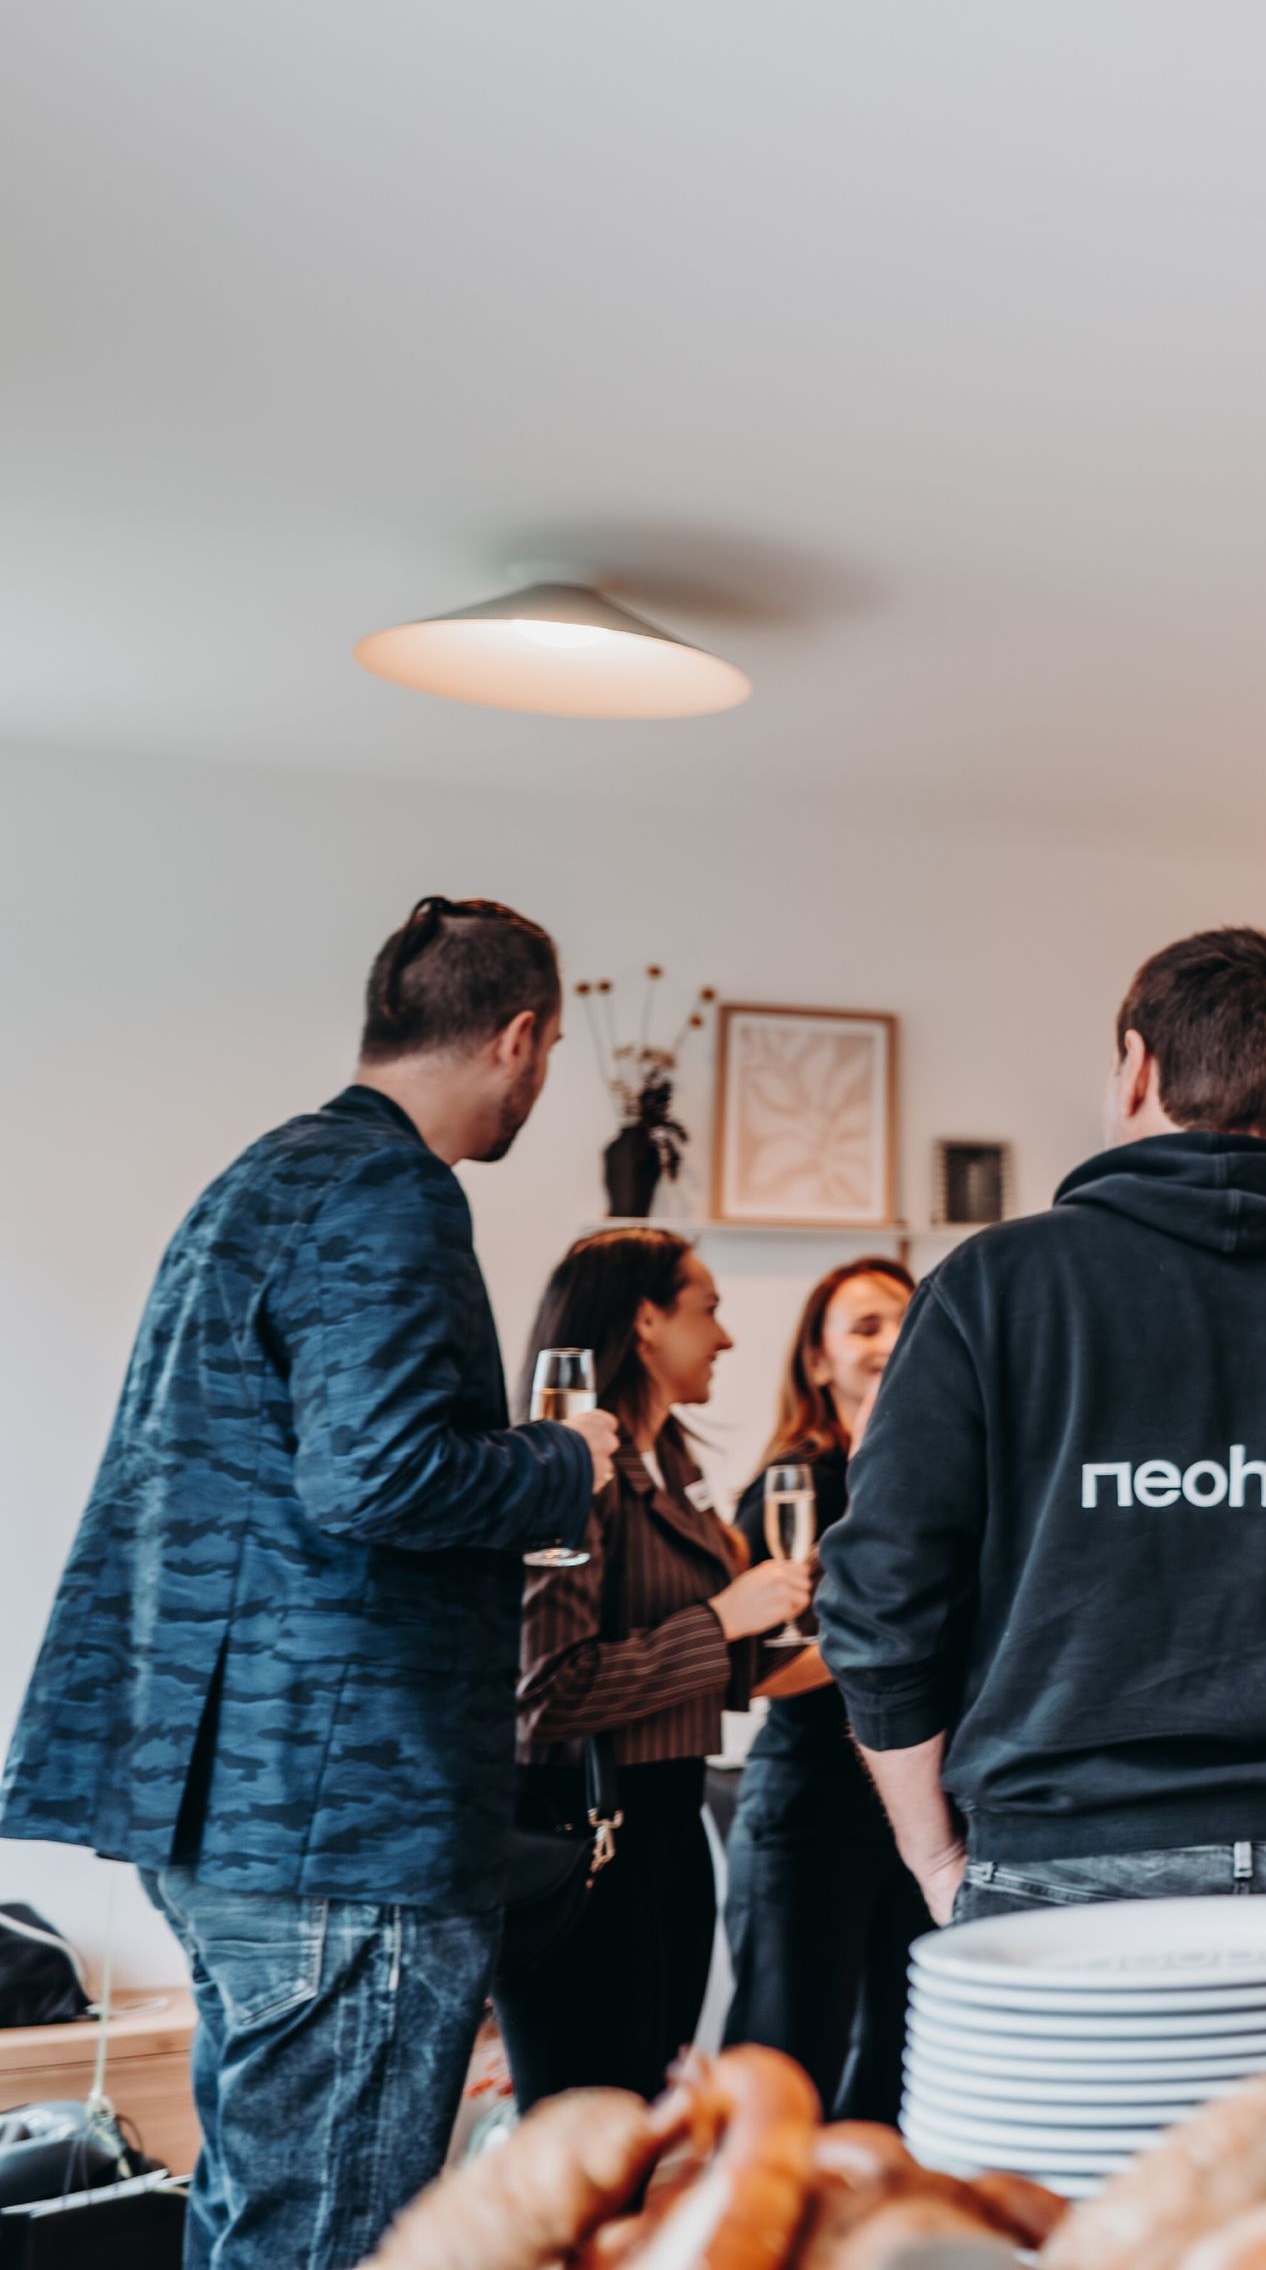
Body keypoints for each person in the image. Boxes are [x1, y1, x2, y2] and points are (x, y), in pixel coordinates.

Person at [0, 897, 616, 2270]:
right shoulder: (392, 1192)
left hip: (232, 1803)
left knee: (259, 2213)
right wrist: (563, 1460)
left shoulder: (264, 1178)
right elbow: (380, 1479)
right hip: (343, 1819)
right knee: (334, 2233)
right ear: (519, 1037)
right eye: (554, 1047)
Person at [820, 926, 1266, 1924]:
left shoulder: (993, 1285)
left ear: (1136, 1066)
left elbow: (880, 1594)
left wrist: (932, 1856)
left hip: (1054, 1852)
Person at [491, 1230, 816, 2102]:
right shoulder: (571, 1468)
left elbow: (715, 1666)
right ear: (644, 1320)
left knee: (648, 2109)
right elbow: (543, 1693)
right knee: (593, 2124)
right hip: (585, 1838)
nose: (726, 1337)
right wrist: (724, 1615)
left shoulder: (671, 1463)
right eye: (707, 1309)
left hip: (666, 1821)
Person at [720, 1255, 927, 2125]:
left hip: (916, 1805)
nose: (887, 1342)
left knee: (905, 2056)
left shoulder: (934, 1484)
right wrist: (891, 1648)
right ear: (818, 1359)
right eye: (864, 1325)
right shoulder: (791, 1486)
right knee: (786, 2052)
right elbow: (756, 1668)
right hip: (811, 1801)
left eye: (902, 1321)